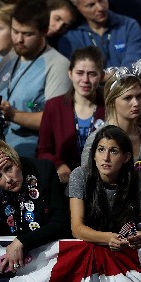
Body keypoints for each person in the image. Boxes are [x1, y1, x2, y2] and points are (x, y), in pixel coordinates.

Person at [0, 139, 68, 273]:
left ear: (17, 161)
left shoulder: (43, 170)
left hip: (48, 262)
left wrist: (22, 241)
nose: (8, 179)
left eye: (9, 168)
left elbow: (60, 223)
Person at [0, 0, 71, 157]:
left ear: (44, 31)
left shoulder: (58, 65)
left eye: (27, 34)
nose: (19, 40)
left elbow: (55, 120)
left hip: (31, 154)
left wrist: (12, 115)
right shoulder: (9, 57)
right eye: (15, 31)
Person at [67, 125, 141, 249]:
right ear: (94, 154)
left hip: (128, 249)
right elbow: (77, 228)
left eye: (113, 151)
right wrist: (107, 238)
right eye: (101, 150)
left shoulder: (139, 179)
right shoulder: (80, 176)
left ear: (126, 157)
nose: (106, 158)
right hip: (88, 247)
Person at [81, 64, 141, 186]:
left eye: (139, 96)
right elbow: (86, 185)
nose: (136, 103)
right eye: (128, 98)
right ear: (112, 102)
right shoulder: (95, 140)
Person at [37, 46, 105, 184]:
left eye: (92, 74)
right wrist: (58, 164)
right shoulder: (54, 106)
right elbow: (42, 151)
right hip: (65, 184)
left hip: (102, 183)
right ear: (70, 73)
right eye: (79, 73)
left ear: (101, 76)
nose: (85, 80)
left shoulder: (109, 106)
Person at [58, 0, 141, 68]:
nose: (100, 8)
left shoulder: (129, 26)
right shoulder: (70, 37)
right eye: (91, 5)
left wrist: (101, 76)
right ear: (77, 7)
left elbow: (134, 67)